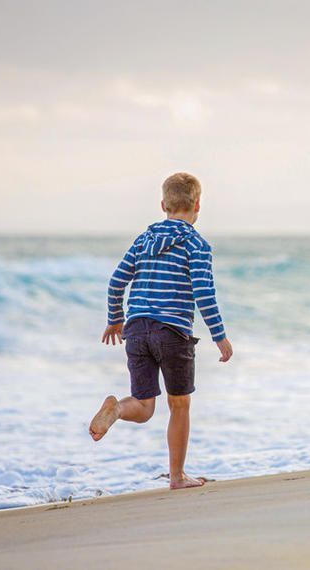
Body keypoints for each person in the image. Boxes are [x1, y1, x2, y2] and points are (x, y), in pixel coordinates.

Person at [89, 172, 233, 489]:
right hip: (173, 332)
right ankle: (178, 476)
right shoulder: (197, 245)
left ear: (163, 204)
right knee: (178, 405)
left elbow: (116, 282)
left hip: (137, 329)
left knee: (143, 406)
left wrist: (116, 318)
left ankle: (116, 411)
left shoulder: (143, 240)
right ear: (197, 204)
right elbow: (204, 295)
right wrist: (219, 335)